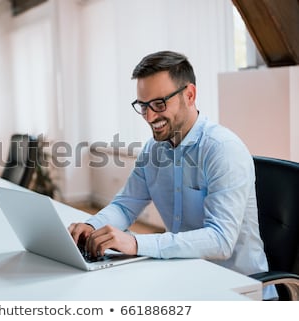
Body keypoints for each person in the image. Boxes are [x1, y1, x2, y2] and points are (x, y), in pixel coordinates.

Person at [69, 50, 276, 300]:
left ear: (190, 95)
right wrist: (92, 227)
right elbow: (125, 206)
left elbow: (220, 240)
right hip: (184, 277)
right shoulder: (154, 150)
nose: (149, 116)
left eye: (159, 104)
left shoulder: (222, 150)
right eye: (142, 105)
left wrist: (136, 244)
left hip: (238, 290)